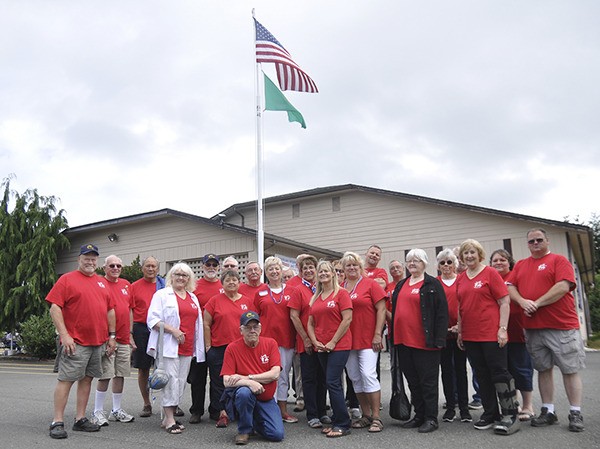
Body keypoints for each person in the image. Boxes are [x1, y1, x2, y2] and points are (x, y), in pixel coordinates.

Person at [507, 228, 585, 432]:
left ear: (547, 241)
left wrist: (537, 303)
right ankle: (548, 410)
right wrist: (523, 301)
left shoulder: (559, 261)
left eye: (539, 240)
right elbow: (509, 286)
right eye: (531, 241)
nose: (535, 243)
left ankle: (575, 412)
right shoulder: (522, 265)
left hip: (561, 326)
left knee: (569, 369)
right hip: (533, 328)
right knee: (543, 370)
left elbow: (563, 286)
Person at [46, 244, 116, 439]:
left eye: (94, 258)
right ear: (79, 259)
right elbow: (54, 308)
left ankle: (80, 419)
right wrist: (65, 335)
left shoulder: (102, 282)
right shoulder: (66, 280)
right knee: (66, 380)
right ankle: (57, 421)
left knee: (87, 380)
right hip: (75, 342)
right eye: (87, 258)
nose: (90, 261)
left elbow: (110, 310)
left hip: (98, 342)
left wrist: (112, 337)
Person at [456, 239, 520, 435]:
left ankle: (510, 414)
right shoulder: (461, 278)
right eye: (466, 253)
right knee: (481, 374)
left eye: (472, 252)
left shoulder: (490, 273)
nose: (469, 256)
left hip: (491, 333)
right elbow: (461, 307)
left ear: (479, 254)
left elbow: (504, 301)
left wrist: (502, 328)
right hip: (471, 335)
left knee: (499, 372)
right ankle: (490, 413)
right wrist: (460, 331)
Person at [390, 249, 448, 433]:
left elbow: (442, 313)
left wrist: (439, 339)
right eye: (409, 260)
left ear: (424, 263)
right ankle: (419, 415)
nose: (412, 263)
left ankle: (431, 418)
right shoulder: (402, 284)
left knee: (428, 382)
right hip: (403, 341)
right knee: (413, 382)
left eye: (416, 260)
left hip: (425, 343)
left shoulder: (432, 284)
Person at [146, 262, 205, 434]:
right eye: (177, 274)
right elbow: (153, 319)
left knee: (179, 383)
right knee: (170, 382)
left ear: (189, 279)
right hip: (169, 346)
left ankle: (167, 416)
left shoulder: (193, 297)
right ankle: (170, 419)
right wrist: (173, 331)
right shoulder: (162, 294)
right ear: (171, 276)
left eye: (184, 275)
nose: (180, 278)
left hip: (187, 347)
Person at [221, 311, 285, 445]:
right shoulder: (232, 348)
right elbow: (227, 381)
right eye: (248, 327)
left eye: (255, 327)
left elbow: (275, 374)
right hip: (245, 396)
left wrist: (247, 378)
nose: (252, 331)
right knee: (244, 392)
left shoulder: (271, 343)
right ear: (241, 330)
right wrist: (250, 384)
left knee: (277, 434)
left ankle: (253, 420)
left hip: (266, 399)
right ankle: (244, 430)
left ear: (260, 328)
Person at [341, 251, 387, 433]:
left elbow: (382, 309)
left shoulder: (370, 284)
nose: (352, 268)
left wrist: (378, 334)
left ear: (361, 267)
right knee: (354, 377)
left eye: (355, 265)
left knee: (368, 374)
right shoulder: (341, 287)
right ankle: (365, 415)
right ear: (343, 269)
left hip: (368, 339)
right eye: (348, 265)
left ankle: (377, 417)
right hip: (348, 341)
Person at [307, 260, 353, 438]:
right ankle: (336, 419)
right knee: (330, 382)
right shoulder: (316, 297)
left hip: (339, 345)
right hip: (321, 346)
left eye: (327, 271)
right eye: (321, 272)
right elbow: (310, 323)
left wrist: (333, 342)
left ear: (333, 273)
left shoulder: (341, 294)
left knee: (333, 382)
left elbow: (347, 319)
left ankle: (342, 423)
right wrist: (314, 341)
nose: (323, 274)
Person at [204, 270, 255, 428]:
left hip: (241, 348)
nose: (231, 282)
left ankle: (239, 409)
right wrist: (208, 346)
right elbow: (206, 323)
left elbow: (253, 324)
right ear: (222, 283)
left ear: (239, 283)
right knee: (219, 381)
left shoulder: (247, 301)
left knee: (240, 379)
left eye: (234, 280)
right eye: (228, 280)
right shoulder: (214, 301)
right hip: (219, 347)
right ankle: (221, 412)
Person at [490, 249, 534, 422]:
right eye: (495, 260)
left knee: (522, 370)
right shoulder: (490, 278)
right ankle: (511, 405)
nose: (499, 263)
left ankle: (528, 405)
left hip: (516, 331)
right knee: (505, 371)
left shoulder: (515, 277)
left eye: (502, 260)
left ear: (509, 262)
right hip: (496, 333)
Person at [91, 255, 134, 426]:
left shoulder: (126, 285)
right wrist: (110, 337)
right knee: (105, 375)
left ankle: (116, 410)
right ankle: (97, 411)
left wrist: (130, 334)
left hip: (123, 338)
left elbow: (129, 309)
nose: (115, 268)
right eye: (112, 265)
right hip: (107, 339)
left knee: (120, 374)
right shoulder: (99, 284)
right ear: (104, 268)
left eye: (118, 266)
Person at [288, 255, 330, 429]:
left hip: (324, 342)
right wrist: (305, 338)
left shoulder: (323, 289)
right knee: (309, 378)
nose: (309, 270)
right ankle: (312, 414)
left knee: (323, 378)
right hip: (306, 342)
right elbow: (294, 316)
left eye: (311, 267)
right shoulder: (298, 290)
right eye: (305, 268)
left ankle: (323, 412)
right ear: (301, 271)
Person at [254, 256, 298, 423]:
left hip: (286, 339)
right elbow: (256, 317)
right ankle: (267, 409)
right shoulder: (260, 293)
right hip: (266, 341)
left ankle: (283, 410)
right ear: (266, 272)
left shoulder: (292, 290)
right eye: (270, 269)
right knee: (267, 376)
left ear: (281, 271)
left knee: (283, 375)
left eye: (276, 268)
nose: (274, 271)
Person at [436, 249, 471, 423]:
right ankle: (450, 408)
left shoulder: (462, 280)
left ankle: (464, 408)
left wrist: (460, 327)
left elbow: (467, 305)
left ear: (455, 264)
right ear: (439, 266)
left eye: (449, 262)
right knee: (446, 371)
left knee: (461, 371)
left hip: (460, 333)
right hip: (443, 335)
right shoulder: (435, 283)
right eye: (443, 263)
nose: (446, 265)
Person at [189, 254, 224, 424]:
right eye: (208, 264)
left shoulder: (223, 286)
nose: (211, 267)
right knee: (198, 378)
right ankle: (196, 410)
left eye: (214, 264)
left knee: (217, 378)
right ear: (203, 266)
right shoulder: (195, 286)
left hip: (218, 339)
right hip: (199, 339)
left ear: (219, 267)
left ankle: (216, 409)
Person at [130, 256, 166, 417]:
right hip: (141, 329)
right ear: (142, 268)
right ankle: (147, 403)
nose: (151, 269)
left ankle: (170, 403)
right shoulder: (134, 287)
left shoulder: (165, 286)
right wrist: (130, 333)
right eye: (147, 266)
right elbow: (129, 310)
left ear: (158, 269)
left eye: (154, 266)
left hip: (162, 330)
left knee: (166, 367)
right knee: (143, 368)